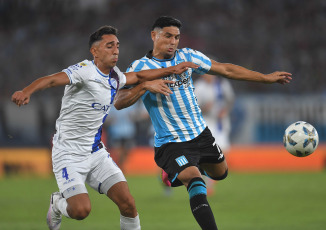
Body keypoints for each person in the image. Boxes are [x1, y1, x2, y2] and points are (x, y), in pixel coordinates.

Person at [11, 25, 198, 230]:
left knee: (128, 204)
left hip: (95, 153)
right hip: (68, 154)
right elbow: (52, 79)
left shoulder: (116, 76)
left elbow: (139, 77)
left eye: (117, 46)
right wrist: (27, 91)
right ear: (95, 51)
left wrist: (172, 69)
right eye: (109, 46)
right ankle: (57, 204)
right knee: (81, 210)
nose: (116, 50)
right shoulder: (84, 70)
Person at [114, 16, 292, 230]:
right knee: (195, 180)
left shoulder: (188, 56)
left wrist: (265, 78)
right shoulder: (140, 67)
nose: (173, 42)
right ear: (154, 35)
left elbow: (225, 70)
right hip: (172, 142)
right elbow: (118, 102)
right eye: (168, 36)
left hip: (201, 135)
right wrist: (144, 86)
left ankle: (174, 175)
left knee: (221, 173)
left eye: (177, 37)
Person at [194, 73, 235, 196]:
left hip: (221, 123)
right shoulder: (198, 87)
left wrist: (225, 110)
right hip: (206, 122)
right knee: (207, 152)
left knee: (223, 151)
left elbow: (230, 100)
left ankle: (210, 178)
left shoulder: (222, 84)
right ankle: (206, 180)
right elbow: (192, 107)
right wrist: (205, 108)